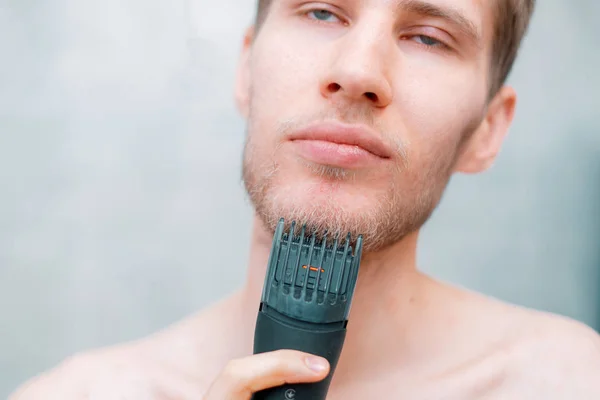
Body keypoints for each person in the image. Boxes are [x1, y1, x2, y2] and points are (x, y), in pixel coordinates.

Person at [10, 0, 600, 398]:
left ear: (488, 130)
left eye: (428, 36)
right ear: (245, 67)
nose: (358, 70)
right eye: (322, 10)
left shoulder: (571, 383)